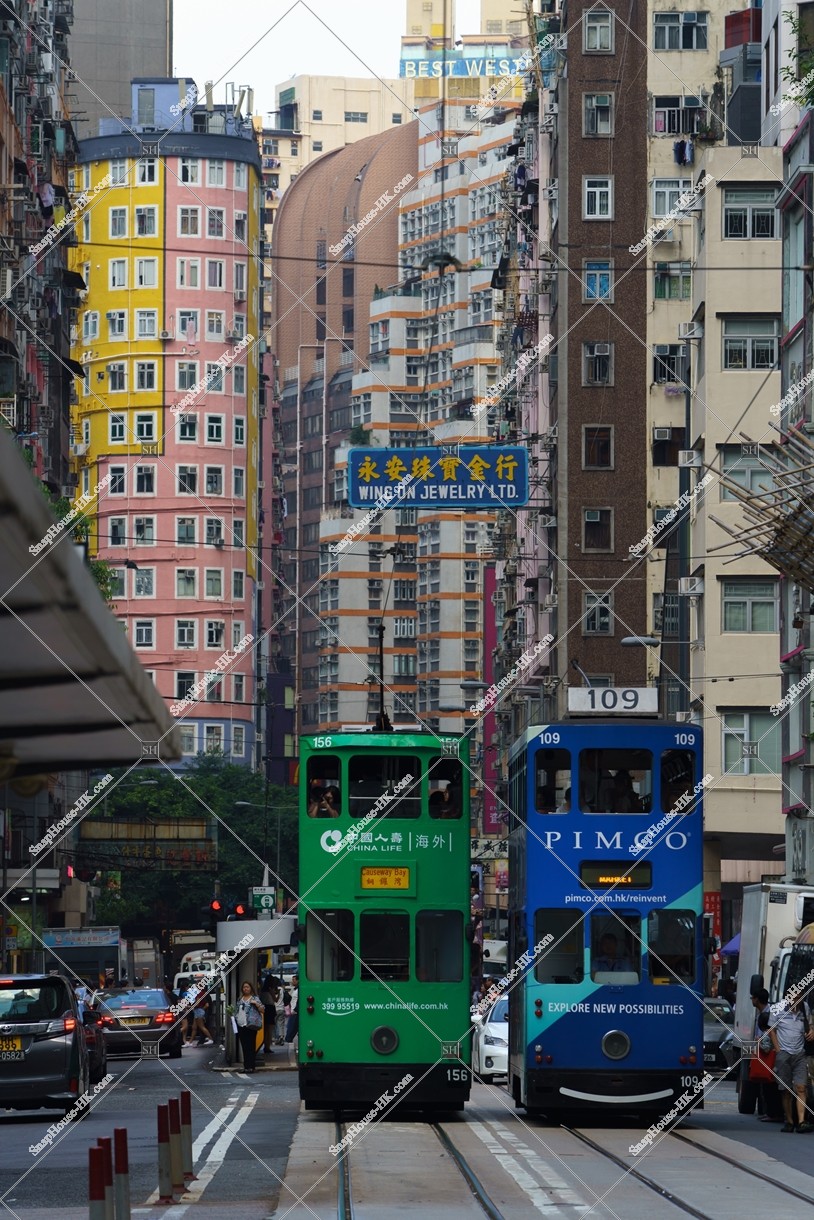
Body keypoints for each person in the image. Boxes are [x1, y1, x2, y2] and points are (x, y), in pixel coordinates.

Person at [767, 995, 814, 1132]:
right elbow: (771, 1030)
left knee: (801, 1087)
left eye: (799, 998)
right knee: (786, 1090)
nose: (795, 1002)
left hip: (800, 1053)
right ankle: (789, 1120)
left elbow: (810, 1025)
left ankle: (801, 1121)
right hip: (784, 1054)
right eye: (793, 998)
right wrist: (778, 1049)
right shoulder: (777, 1009)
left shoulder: (804, 1008)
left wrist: (811, 1031)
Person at [752, 987, 784, 1121]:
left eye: (753, 998)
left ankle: (774, 1113)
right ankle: (769, 1112)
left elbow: (770, 1038)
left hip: (771, 1057)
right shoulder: (762, 1013)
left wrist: (759, 1042)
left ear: (757, 999)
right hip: (765, 1058)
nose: (752, 1000)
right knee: (766, 1086)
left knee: (771, 1087)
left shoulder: (771, 1013)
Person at [235, 981, 265, 1073]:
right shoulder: (240, 999)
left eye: (247, 987)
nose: (246, 989)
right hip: (241, 1025)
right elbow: (237, 1011)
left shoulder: (255, 998)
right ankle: (246, 1066)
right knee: (244, 1046)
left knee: (251, 1046)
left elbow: (263, 1010)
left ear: (251, 988)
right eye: (244, 987)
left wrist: (256, 1003)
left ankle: (252, 1066)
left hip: (251, 1025)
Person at [259, 975, 277, 1054]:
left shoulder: (262, 989)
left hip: (264, 1008)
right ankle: (267, 1046)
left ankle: (264, 1045)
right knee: (269, 1029)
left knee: (265, 1029)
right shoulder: (270, 989)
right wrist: (278, 993)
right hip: (270, 1008)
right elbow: (275, 999)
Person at [285, 975, 299, 1056]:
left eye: (294, 980)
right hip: (293, 1011)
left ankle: (288, 1040)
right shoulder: (294, 989)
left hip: (295, 1012)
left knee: (292, 1028)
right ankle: (288, 1039)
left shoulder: (299, 989)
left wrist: (295, 1010)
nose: (292, 981)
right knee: (290, 1027)